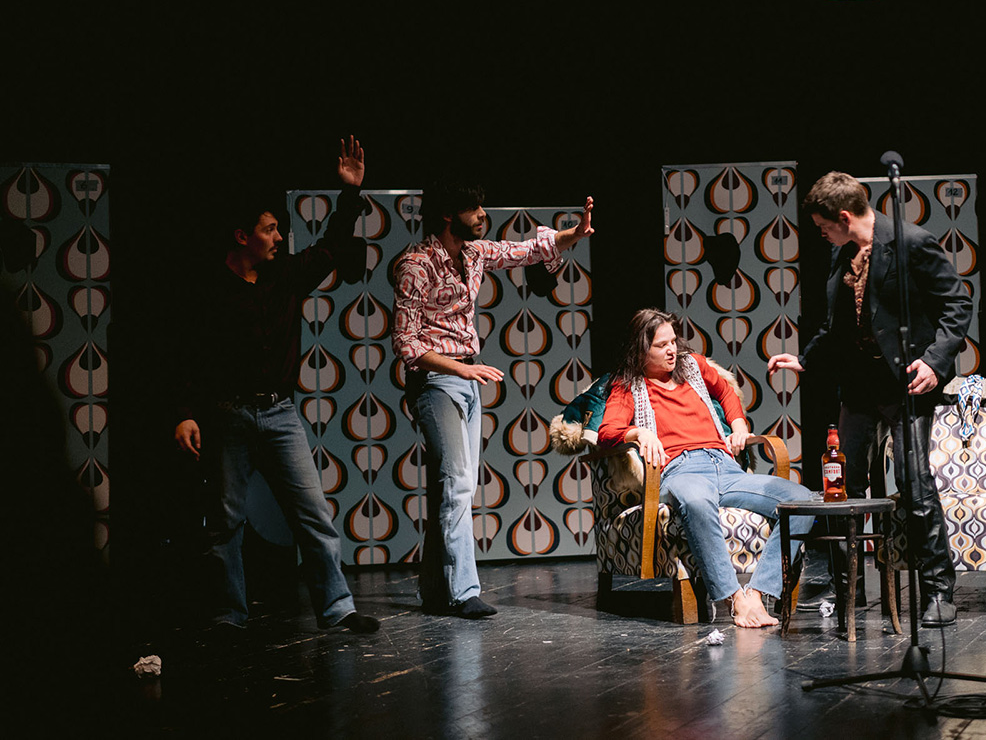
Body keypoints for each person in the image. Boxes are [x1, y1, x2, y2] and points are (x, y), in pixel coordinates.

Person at [173, 136, 380, 635]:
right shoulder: (211, 290)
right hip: (229, 415)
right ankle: (229, 613)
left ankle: (337, 607)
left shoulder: (284, 275)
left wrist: (350, 192)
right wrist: (185, 413)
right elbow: (189, 355)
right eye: (270, 230)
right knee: (225, 521)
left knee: (312, 511)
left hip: (280, 413)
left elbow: (330, 247)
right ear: (242, 236)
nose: (279, 238)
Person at [767, 171, 972, 627]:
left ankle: (939, 591)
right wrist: (805, 360)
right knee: (842, 485)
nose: (821, 233)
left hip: (906, 382)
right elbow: (836, 325)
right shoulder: (841, 253)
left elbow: (957, 305)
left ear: (844, 217)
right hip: (860, 386)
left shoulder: (910, 243)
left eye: (824, 225)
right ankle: (849, 591)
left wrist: (934, 362)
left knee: (913, 482)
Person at [392, 183, 594, 619]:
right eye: (473, 208)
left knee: (451, 487)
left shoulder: (474, 253)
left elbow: (526, 251)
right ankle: (463, 591)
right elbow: (406, 343)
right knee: (459, 483)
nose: (482, 214)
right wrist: (459, 369)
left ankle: (434, 590)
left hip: (467, 379)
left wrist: (573, 235)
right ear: (448, 215)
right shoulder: (416, 265)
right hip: (434, 382)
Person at [597, 309, 816, 628]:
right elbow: (607, 432)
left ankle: (758, 593)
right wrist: (639, 432)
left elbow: (726, 390)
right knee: (697, 502)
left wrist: (739, 426)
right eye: (662, 345)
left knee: (803, 500)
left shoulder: (693, 366)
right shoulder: (628, 385)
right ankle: (734, 598)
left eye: (673, 341)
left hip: (724, 465)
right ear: (641, 349)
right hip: (681, 469)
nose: (672, 350)